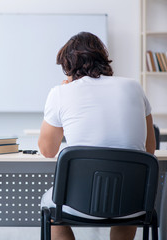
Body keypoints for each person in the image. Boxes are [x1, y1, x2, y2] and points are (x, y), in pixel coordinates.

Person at [38, 32, 156, 240]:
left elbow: (48, 151)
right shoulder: (135, 88)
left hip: (78, 203)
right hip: (134, 202)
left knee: (52, 207)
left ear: (68, 65)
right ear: (103, 59)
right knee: (125, 205)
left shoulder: (60, 93)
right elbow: (149, 150)